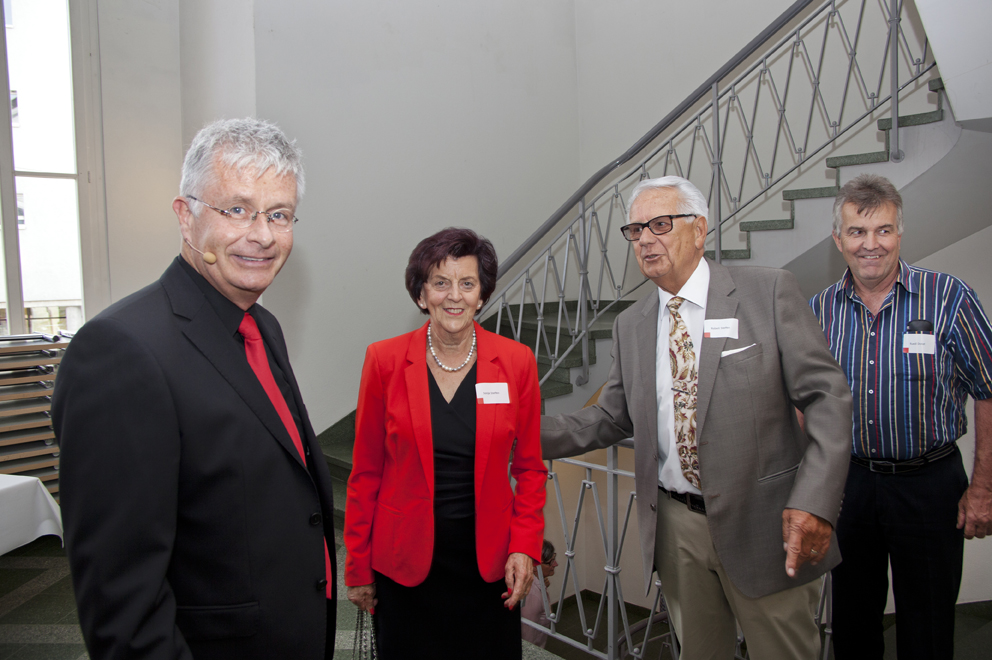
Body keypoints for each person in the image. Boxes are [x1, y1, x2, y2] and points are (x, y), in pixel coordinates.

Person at [52, 118, 336, 660]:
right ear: (186, 217)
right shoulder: (120, 350)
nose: (262, 235)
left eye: (278, 214)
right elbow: (123, 607)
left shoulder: (262, 326)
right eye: (237, 210)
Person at [541, 176, 853, 659]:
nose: (645, 239)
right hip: (677, 529)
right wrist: (516, 433)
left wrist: (815, 501)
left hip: (765, 522)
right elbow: (610, 417)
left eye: (660, 225)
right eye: (635, 230)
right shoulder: (631, 324)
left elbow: (827, 399)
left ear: (700, 229)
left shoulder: (768, 291)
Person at [809, 173, 992, 660]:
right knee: (852, 623)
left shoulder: (949, 297)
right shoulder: (819, 310)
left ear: (899, 233)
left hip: (930, 486)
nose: (871, 244)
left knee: (927, 627)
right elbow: (806, 400)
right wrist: (808, 489)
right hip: (849, 486)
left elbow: (989, 389)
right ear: (838, 240)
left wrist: (983, 489)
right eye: (857, 231)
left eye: (883, 230)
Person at [344, 227, 547, 659]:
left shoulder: (516, 362)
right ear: (422, 295)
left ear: (482, 294)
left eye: (467, 283)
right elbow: (365, 473)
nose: (454, 296)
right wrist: (358, 566)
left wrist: (524, 546)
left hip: (489, 567)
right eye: (440, 282)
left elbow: (530, 469)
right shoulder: (384, 361)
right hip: (405, 564)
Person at [521, 540, 558, 649]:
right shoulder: (531, 595)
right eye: (550, 562)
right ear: (533, 566)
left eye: (554, 559)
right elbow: (528, 638)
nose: (555, 564)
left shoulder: (537, 583)